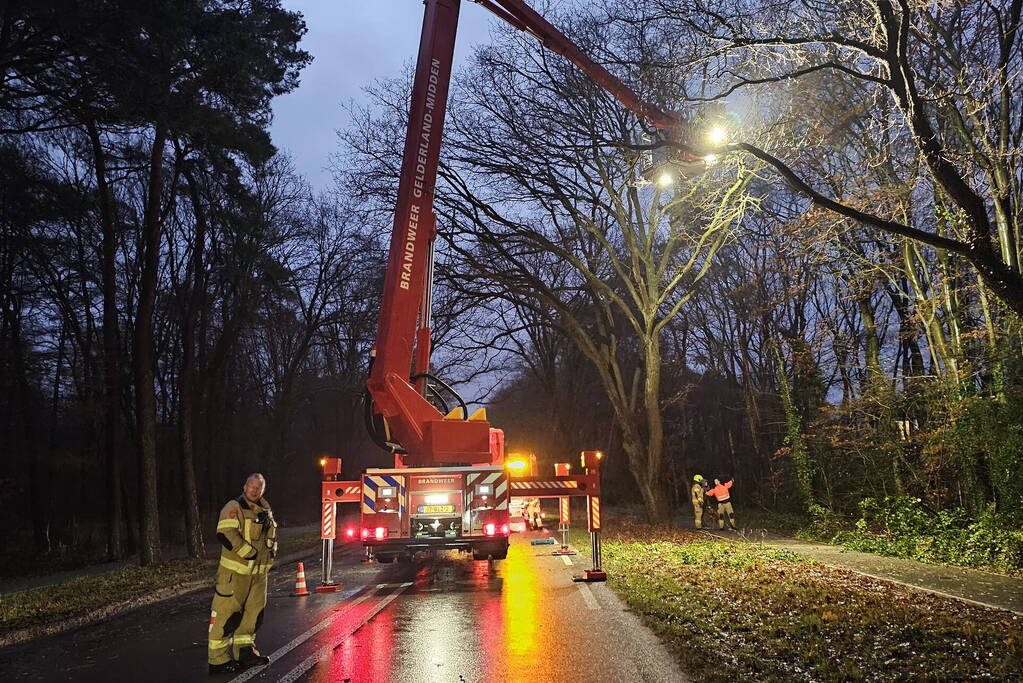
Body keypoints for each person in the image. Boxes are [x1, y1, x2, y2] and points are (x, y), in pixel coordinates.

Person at [207, 473, 278, 674]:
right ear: (244, 486)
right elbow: (225, 533)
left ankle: (245, 652)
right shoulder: (234, 507)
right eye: (251, 486)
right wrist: (249, 552)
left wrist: (269, 558)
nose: (255, 490)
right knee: (227, 615)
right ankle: (218, 660)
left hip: (258, 576)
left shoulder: (266, 509)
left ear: (263, 490)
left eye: (259, 487)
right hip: (234, 575)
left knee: (253, 615)